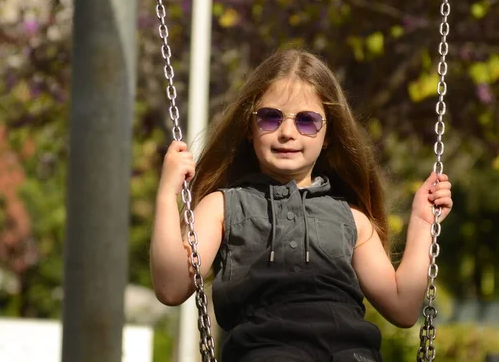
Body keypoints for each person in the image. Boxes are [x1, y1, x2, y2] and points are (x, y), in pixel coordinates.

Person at [149, 48, 453, 362]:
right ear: (249, 129)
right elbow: (171, 287)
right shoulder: (223, 207)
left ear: (328, 135)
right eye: (270, 117)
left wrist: (423, 223)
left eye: (307, 121)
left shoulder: (351, 219)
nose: (287, 133)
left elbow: (403, 307)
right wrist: (166, 196)